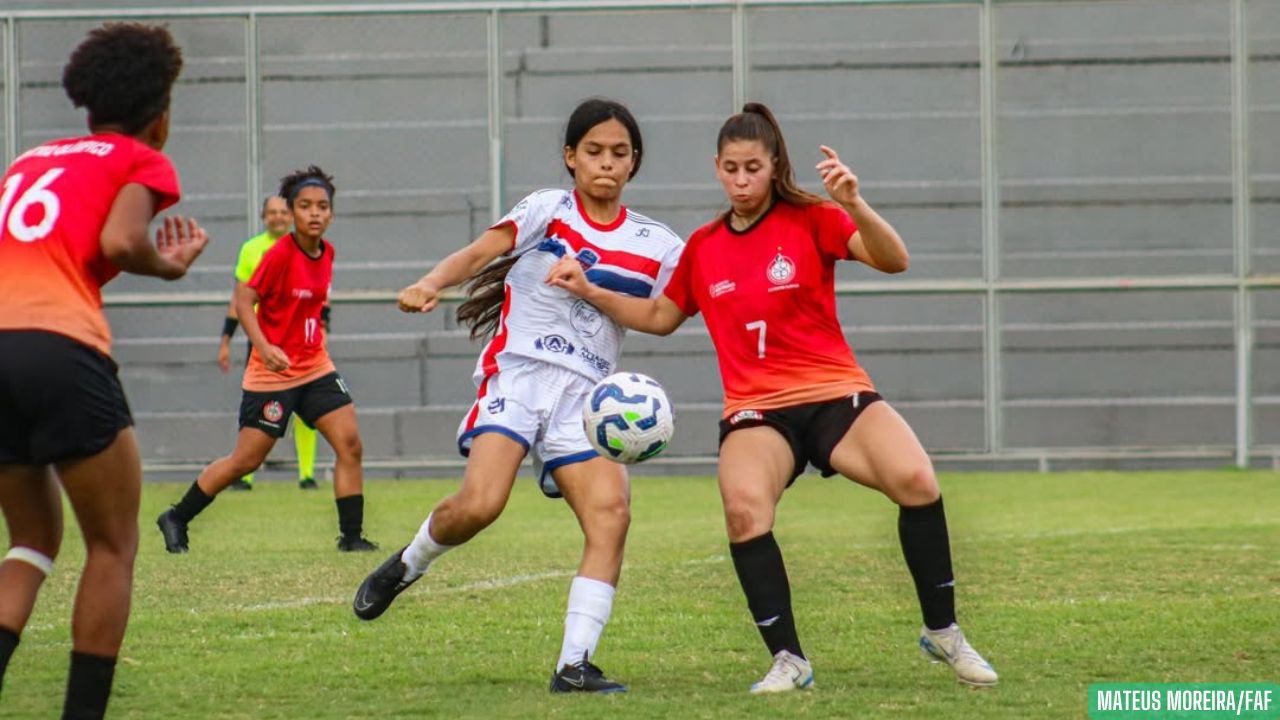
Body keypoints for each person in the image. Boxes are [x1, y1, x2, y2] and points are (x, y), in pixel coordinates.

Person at [546, 102, 998, 693]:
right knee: (743, 512)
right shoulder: (705, 247)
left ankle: (944, 633)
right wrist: (592, 288)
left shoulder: (813, 218)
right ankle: (789, 658)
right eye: (730, 168)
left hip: (837, 391)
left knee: (917, 480)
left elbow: (895, 259)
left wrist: (854, 202)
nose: (741, 180)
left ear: (774, 165)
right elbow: (660, 315)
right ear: (716, 167)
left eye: (752, 167)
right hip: (758, 411)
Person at [351, 98, 683, 694]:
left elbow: (661, 318)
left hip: (587, 404)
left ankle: (573, 665)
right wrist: (431, 282)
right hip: (521, 376)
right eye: (593, 152)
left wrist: (592, 290)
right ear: (570, 158)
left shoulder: (658, 244)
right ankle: (411, 562)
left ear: (634, 163)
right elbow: (482, 251)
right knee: (480, 505)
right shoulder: (549, 209)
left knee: (611, 517)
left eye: (620, 153)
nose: (606, 163)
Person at [0, 23, 206, 718]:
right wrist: (169, 265)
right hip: (59, 348)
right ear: (160, 112)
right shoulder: (140, 158)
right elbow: (122, 239)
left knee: (31, 541)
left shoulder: (30, 162)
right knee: (112, 545)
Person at [156, 166, 377, 553]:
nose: (314, 213)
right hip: (272, 375)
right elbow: (244, 301)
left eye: (322, 206)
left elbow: (310, 305)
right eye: (305, 206)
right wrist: (263, 346)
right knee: (245, 461)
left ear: (332, 214)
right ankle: (177, 516)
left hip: (315, 366)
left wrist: (316, 333)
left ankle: (351, 537)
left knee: (350, 445)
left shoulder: (328, 253)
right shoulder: (278, 256)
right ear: (291, 212)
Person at [217, 195, 323, 491]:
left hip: (301, 341)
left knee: (307, 409)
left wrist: (322, 329)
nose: (277, 217)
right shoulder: (252, 249)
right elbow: (239, 298)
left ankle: (307, 475)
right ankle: (245, 475)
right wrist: (226, 339)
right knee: (259, 409)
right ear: (264, 217)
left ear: (291, 216)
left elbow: (318, 295)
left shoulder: (309, 248)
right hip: (263, 340)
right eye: (271, 213)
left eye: (282, 212)